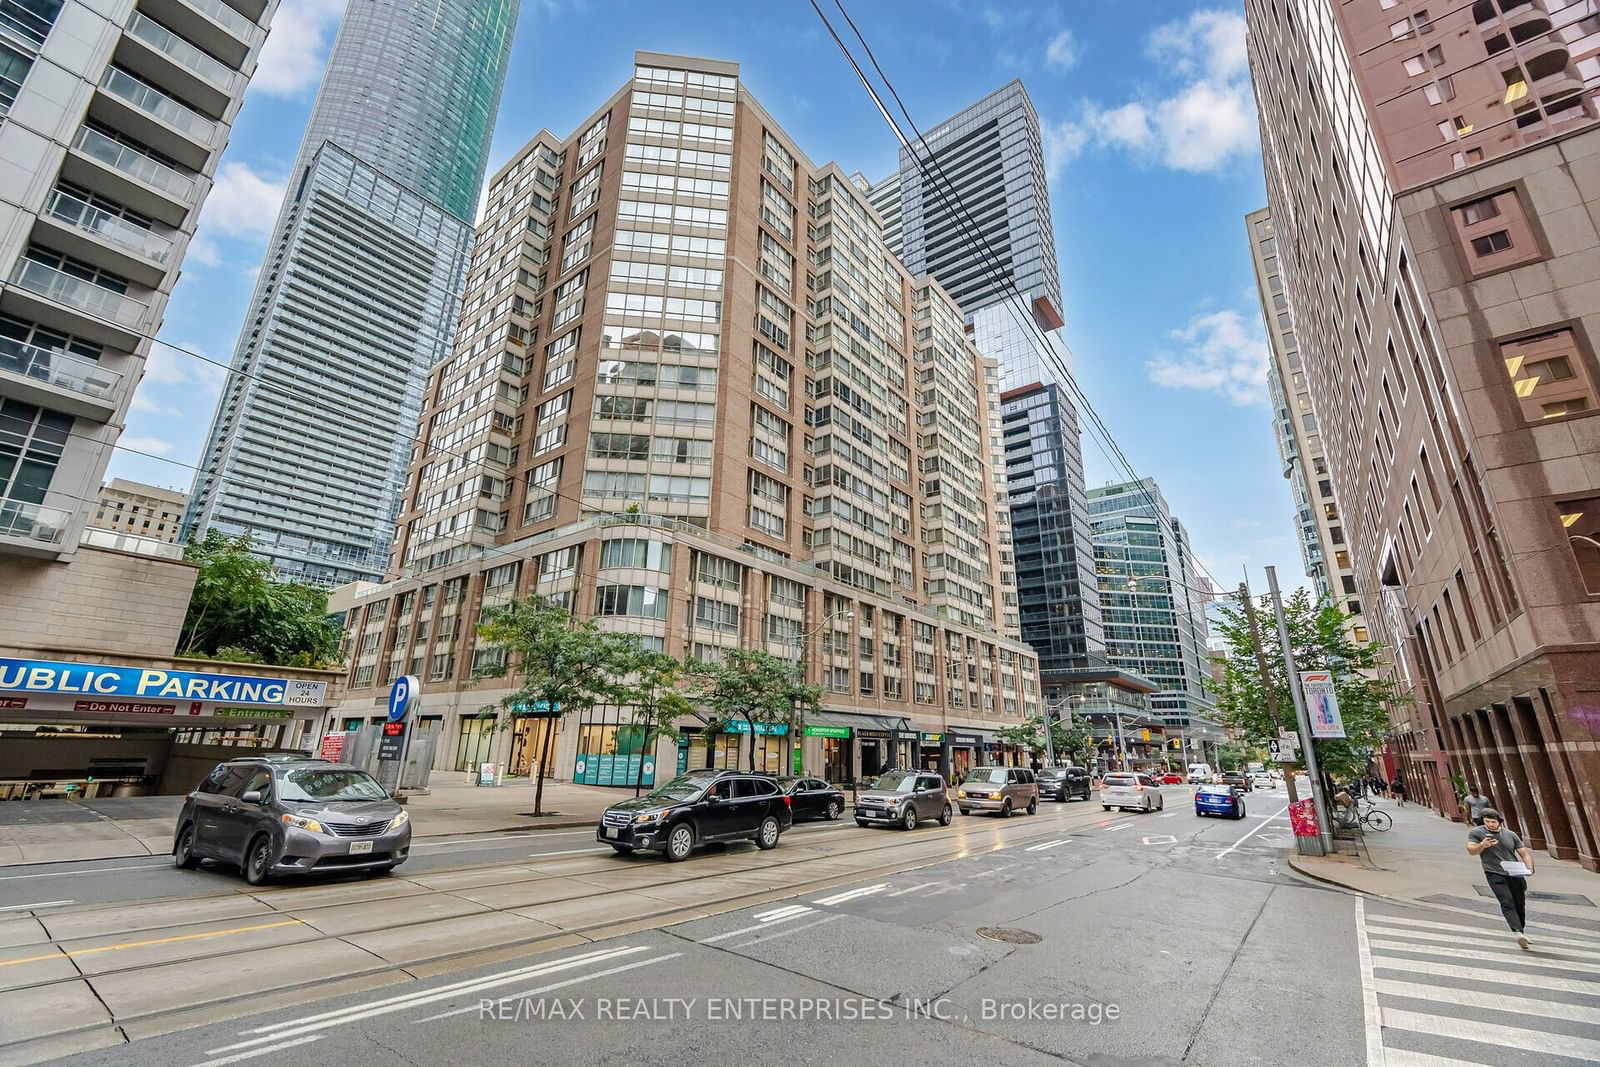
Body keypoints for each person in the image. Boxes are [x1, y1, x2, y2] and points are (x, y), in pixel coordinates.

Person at [1466, 810, 1536, 949]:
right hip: (1493, 872)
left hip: (1515, 872)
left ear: (1499, 821)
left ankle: (1521, 930)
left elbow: (1523, 853)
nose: (1490, 825)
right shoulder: (1477, 833)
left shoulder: (1510, 835)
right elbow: (1470, 849)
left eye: (1493, 822)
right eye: (1487, 822)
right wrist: (1482, 845)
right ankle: (1517, 932)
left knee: (1519, 904)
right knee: (1506, 901)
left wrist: (1530, 868)